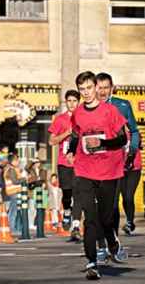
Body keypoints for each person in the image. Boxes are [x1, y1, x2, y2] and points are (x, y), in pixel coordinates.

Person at [66, 71, 129, 280]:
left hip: (109, 171)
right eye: (82, 89)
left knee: (105, 218)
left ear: (96, 87)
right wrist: (71, 150)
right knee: (90, 219)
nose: (86, 93)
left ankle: (112, 241)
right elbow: (76, 135)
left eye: (89, 88)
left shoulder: (110, 111)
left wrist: (102, 143)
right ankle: (92, 262)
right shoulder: (78, 113)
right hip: (84, 171)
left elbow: (121, 141)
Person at [95, 73, 139, 236]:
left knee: (113, 203)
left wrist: (132, 152)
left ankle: (112, 240)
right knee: (99, 205)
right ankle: (103, 241)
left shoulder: (122, 105)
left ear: (112, 88)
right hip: (95, 163)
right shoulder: (87, 107)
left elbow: (134, 131)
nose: (103, 91)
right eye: (100, 87)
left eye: (106, 87)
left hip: (116, 162)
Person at [48, 90, 82, 241]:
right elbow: (52, 141)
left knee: (78, 193)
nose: (72, 103)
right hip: (63, 163)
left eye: (75, 100)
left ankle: (75, 225)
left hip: (80, 163)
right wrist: (67, 133)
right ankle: (67, 211)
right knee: (67, 193)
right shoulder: (60, 119)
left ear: (78, 102)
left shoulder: (83, 118)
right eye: (69, 101)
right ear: (66, 102)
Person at [117, 132, 142, 236]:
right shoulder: (115, 133)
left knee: (129, 196)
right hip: (120, 169)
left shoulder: (135, 134)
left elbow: (138, 145)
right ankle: (128, 221)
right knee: (123, 197)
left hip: (134, 169)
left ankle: (130, 222)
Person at [2, 153, 25, 235]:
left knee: (13, 210)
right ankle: (11, 229)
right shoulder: (11, 169)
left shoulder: (10, 169)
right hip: (13, 192)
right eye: (17, 160)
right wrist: (24, 179)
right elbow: (15, 181)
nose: (18, 161)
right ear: (13, 161)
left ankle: (13, 228)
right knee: (13, 211)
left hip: (13, 192)